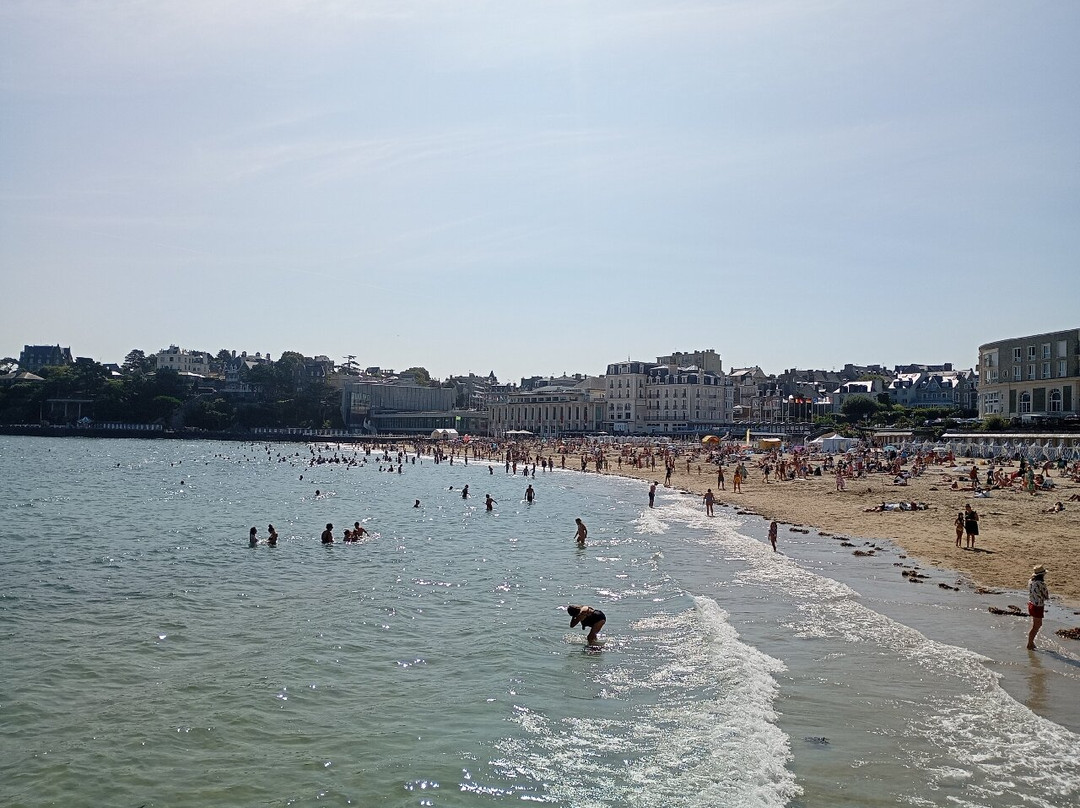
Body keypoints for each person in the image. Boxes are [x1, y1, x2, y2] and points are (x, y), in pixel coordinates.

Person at [1027, 565, 1049, 650]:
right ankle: (1030, 644)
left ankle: (1031, 643)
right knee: (1037, 626)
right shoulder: (1041, 584)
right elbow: (1046, 596)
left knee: (1035, 625)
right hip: (1037, 606)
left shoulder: (1031, 581)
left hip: (1031, 604)